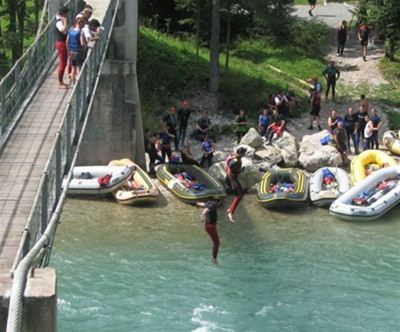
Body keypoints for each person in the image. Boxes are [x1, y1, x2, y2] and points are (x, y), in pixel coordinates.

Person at [225, 147, 247, 223]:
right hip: (231, 179)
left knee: (241, 193)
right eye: (244, 153)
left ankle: (230, 209)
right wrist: (232, 182)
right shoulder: (235, 161)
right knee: (239, 195)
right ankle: (230, 213)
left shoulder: (235, 158)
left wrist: (240, 170)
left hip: (234, 178)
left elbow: (228, 160)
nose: (244, 155)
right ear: (240, 153)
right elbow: (229, 172)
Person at [196, 199, 220, 265]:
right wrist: (202, 217)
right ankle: (214, 259)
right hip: (211, 227)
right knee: (216, 242)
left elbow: (202, 204)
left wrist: (197, 203)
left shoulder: (209, 203)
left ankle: (214, 258)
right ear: (216, 202)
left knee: (215, 240)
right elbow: (205, 211)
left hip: (210, 226)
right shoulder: (212, 206)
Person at [66, 17, 87, 84]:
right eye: (83, 24)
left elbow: (67, 42)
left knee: (73, 69)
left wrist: (68, 51)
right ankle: (79, 85)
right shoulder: (81, 32)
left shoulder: (70, 30)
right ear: (80, 23)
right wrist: (87, 47)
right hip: (78, 52)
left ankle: (73, 84)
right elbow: (82, 43)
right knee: (79, 69)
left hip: (71, 51)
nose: (83, 25)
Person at [55, 6, 70, 88]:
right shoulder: (59, 22)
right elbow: (63, 31)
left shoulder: (60, 20)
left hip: (63, 43)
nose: (67, 14)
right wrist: (65, 22)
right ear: (63, 13)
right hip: (61, 43)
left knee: (64, 62)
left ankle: (61, 80)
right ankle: (60, 82)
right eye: (66, 13)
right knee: (62, 63)